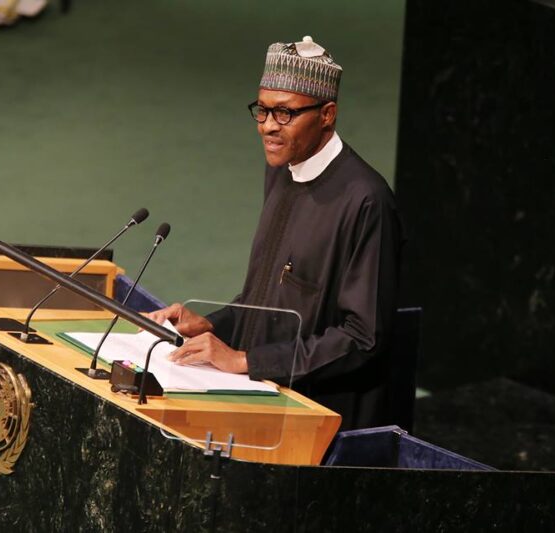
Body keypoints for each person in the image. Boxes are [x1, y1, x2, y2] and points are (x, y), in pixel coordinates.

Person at [148, 36, 404, 430]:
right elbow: (270, 297)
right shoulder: (283, 168)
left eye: (284, 114)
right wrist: (213, 325)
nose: (268, 127)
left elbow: (362, 338)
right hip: (262, 396)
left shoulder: (366, 201)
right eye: (262, 111)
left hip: (319, 420)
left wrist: (246, 361)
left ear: (327, 114)